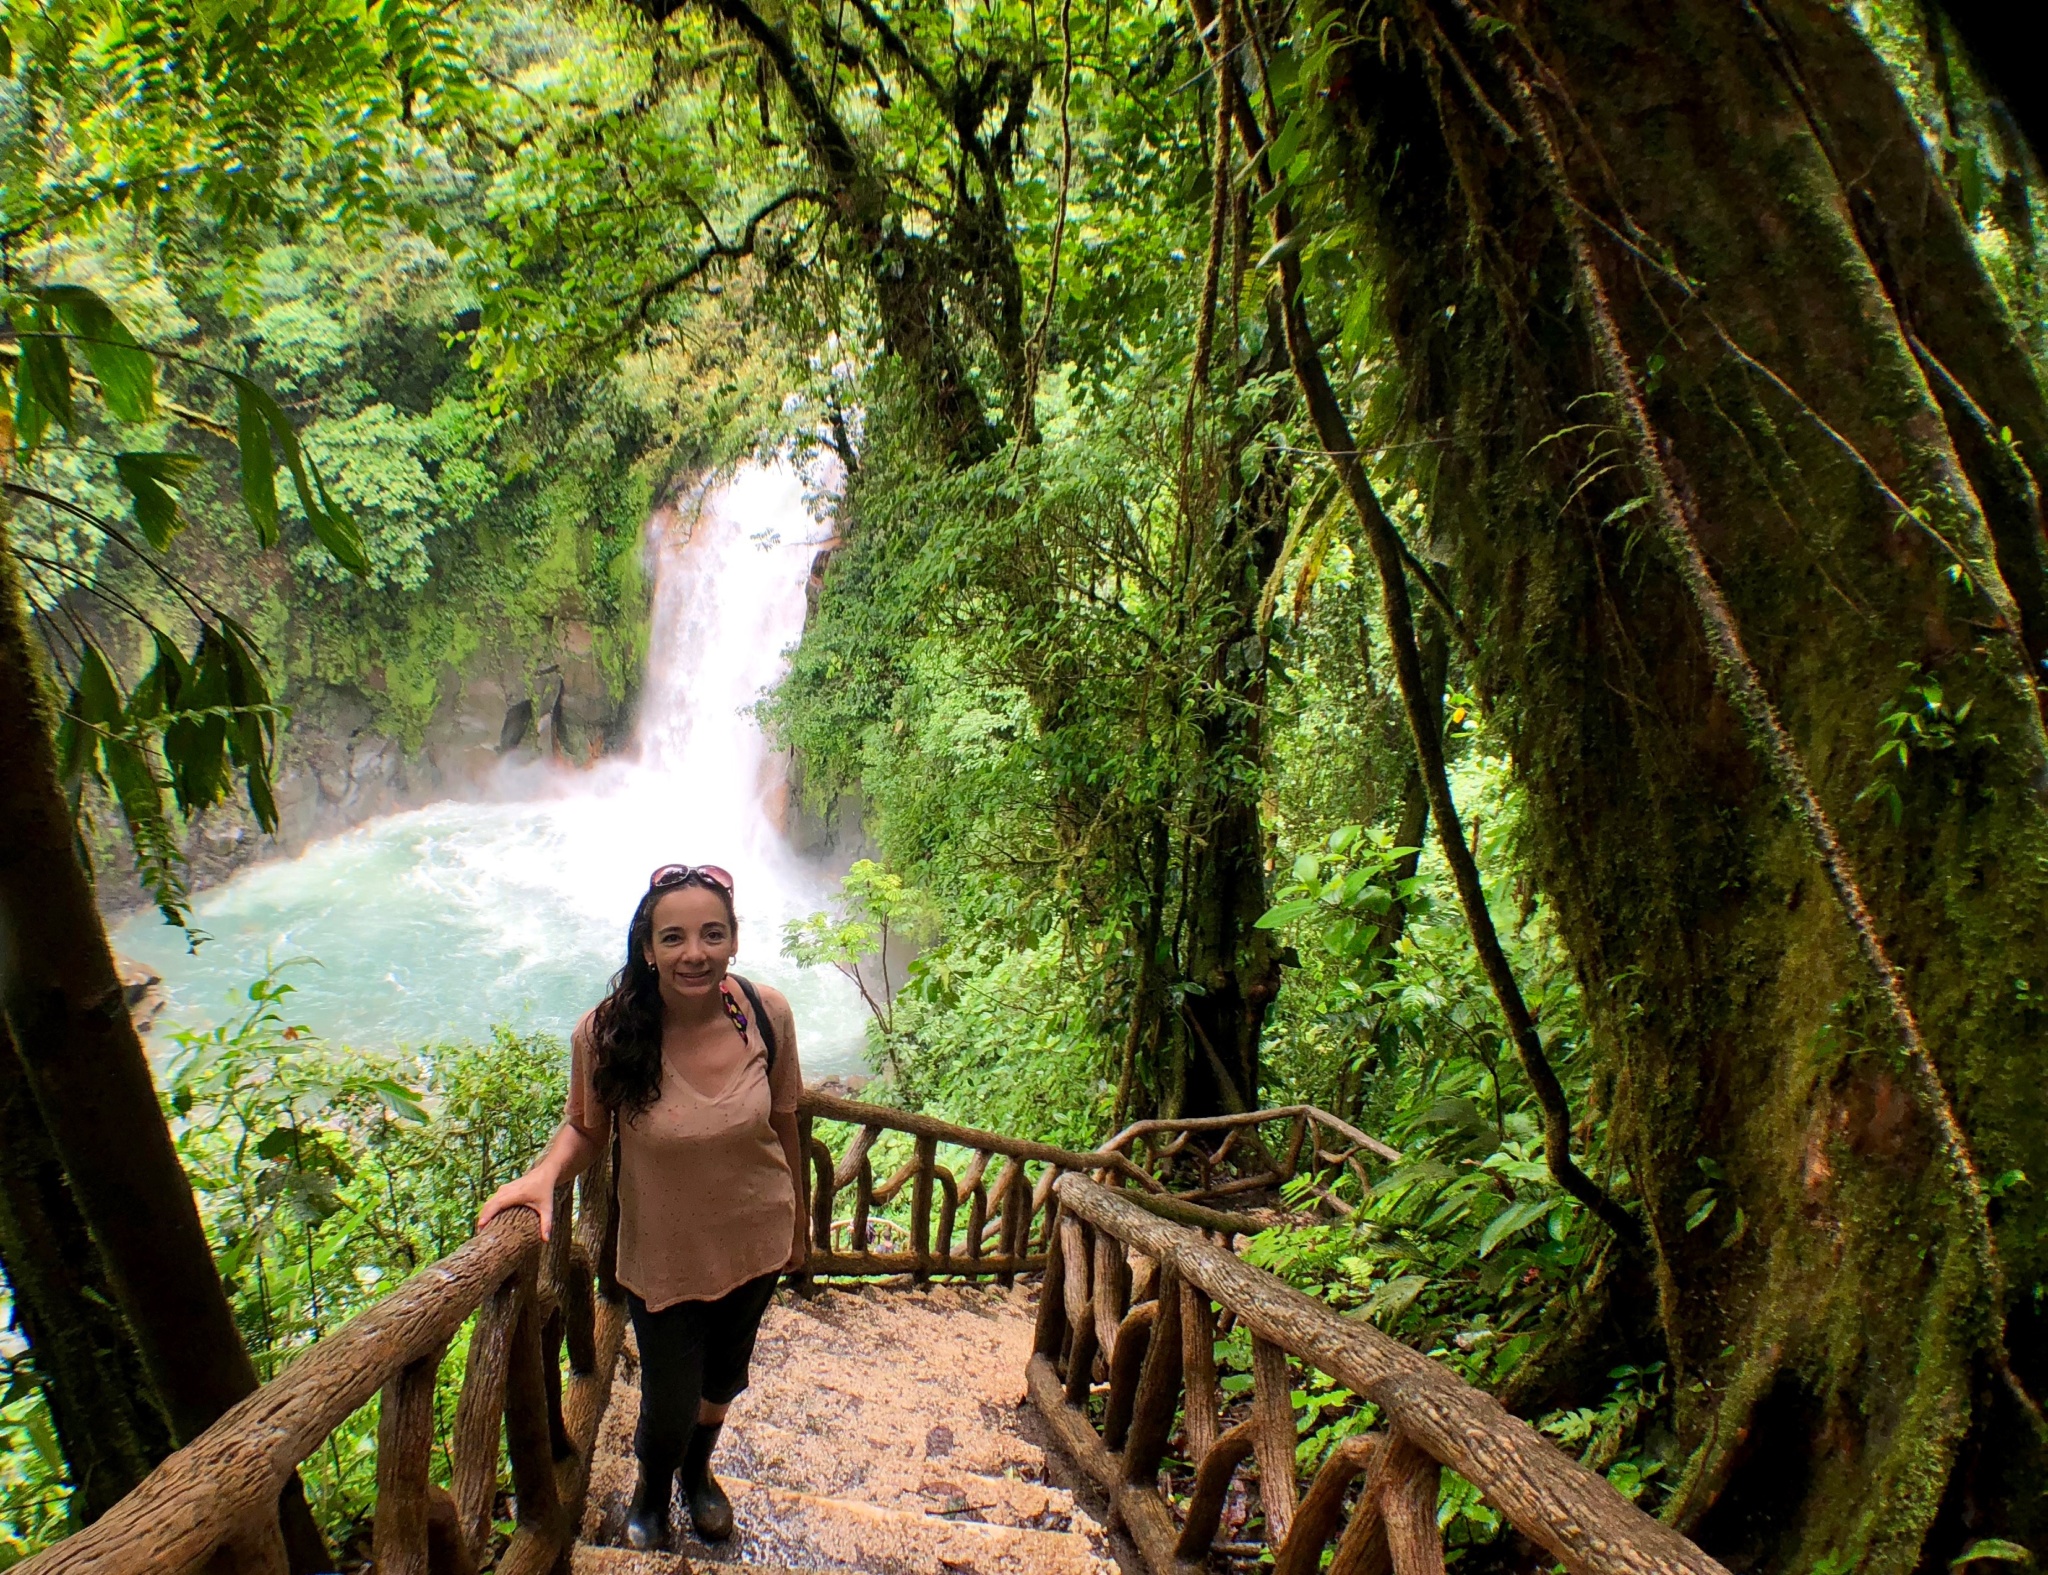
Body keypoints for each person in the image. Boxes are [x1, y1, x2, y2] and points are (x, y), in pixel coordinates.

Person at [479, 863, 806, 1550]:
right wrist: (545, 1175)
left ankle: (699, 1471)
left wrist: (800, 1226)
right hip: (664, 1257)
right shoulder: (607, 1032)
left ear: (734, 940)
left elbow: (785, 1120)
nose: (696, 952)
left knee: (725, 1377)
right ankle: (653, 1487)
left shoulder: (764, 1013)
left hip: (757, 1236)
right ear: (648, 946)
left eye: (712, 933)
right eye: (675, 936)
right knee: (667, 1401)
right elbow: (586, 1128)